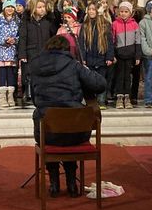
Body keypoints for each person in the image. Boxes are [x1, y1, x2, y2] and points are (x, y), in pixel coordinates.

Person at [30, 35, 107, 198]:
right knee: (69, 126)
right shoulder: (74, 65)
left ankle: (54, 183)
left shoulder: (35, 65)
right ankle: (72, 183)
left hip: (47, 133)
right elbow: (100, 84)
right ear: (67, 50)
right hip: (76, 132)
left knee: (51, 123)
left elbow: (35, 100)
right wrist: (85, 70)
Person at [19, 0, 55, 105]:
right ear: (33, 8)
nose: (42, 9)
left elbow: (53, 36)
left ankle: (45, 94)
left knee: (45, 73)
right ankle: (29, 94)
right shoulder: (27, 21)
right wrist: (22, 54)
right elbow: (23, 37)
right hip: (31, 51)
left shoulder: (48, 20)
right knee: (30, 74)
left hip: (45, 51)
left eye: (43, 7)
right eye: (39, 7)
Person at [78, 1, 115, 109]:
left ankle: (101, 101)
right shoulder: (85, 25)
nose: (91, 11)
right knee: (89, 81)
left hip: (101, 58)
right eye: (89, 9)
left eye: (93, 9)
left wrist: (109, 57)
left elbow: (109, 42)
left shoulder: (105, 25)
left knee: (101, 80)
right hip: (89, 58)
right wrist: (83, 58)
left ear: (98, 11)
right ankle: (91, 101)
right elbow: (81, 43)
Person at [0, 0, 21, 107]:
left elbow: (21, 35)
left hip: (12, 53)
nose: (10, 9)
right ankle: (3, 97)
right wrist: (4, 41)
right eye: (8, 7)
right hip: (1, 53)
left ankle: (11, 96)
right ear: (4, 8)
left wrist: (15, 40)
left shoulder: (17, 20)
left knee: (11, 74)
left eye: (12, 7)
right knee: (3, 74)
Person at [112, 1, 142, 110]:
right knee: (120, 76)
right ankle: (119, 97)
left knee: (128, 77)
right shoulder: (115, 24)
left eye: (126, 11)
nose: (123, 14)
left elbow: (138, 41)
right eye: (121, 11)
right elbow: (112, 41)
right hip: (119, 55)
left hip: (130, 55)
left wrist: (137, 56)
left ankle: (127, 97)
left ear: (130, 13)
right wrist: (113, 55)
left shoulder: (134, 24)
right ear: (118, 12)